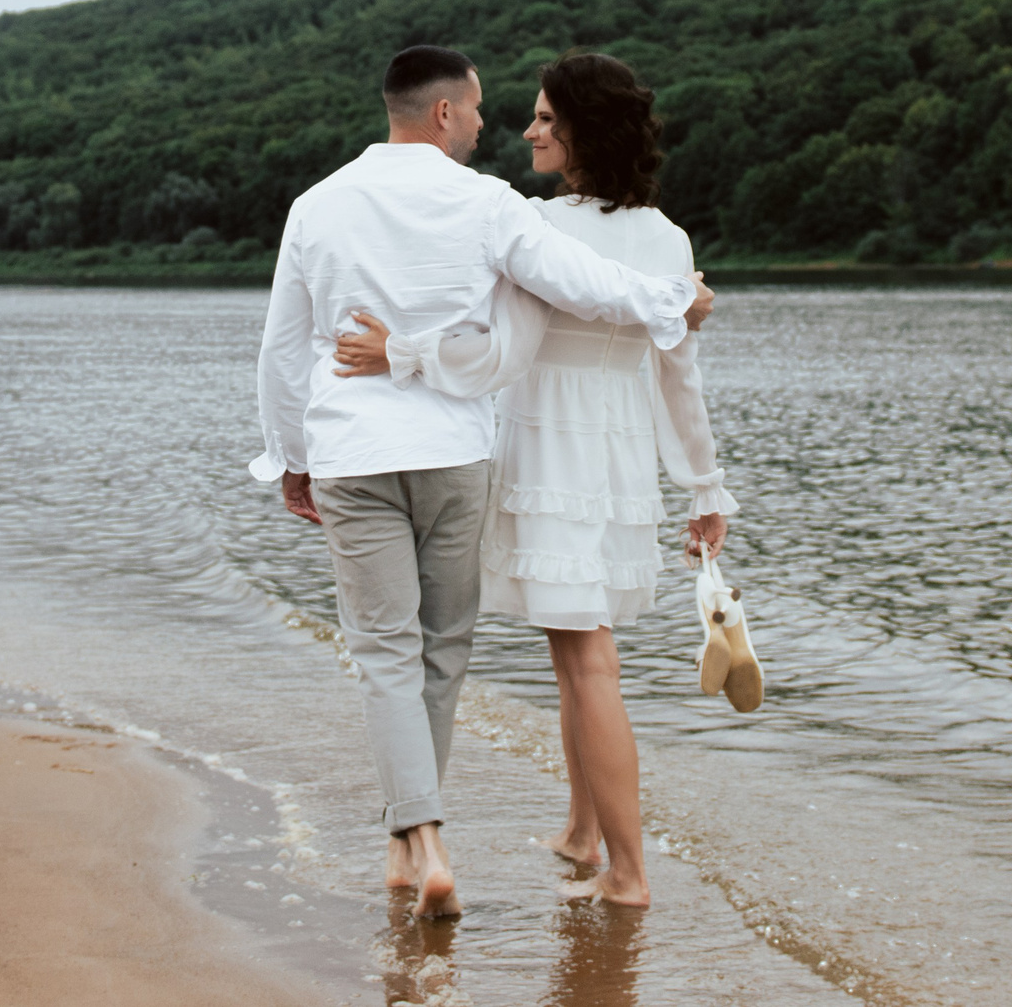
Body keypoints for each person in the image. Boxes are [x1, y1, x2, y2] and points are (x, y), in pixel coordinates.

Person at [253, 45, 716, 919]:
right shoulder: (529, 212)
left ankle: (435, 843)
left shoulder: (319, 205)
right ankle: (539, 836)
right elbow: (621, 319)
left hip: (432, 455)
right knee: (490, 652)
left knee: (409, 654)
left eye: (540, 115)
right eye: (481, 110)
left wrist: (293, 457)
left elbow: (289, 347)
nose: (497, 126)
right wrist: (676, 310)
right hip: (520, 459)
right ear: (442, 113)